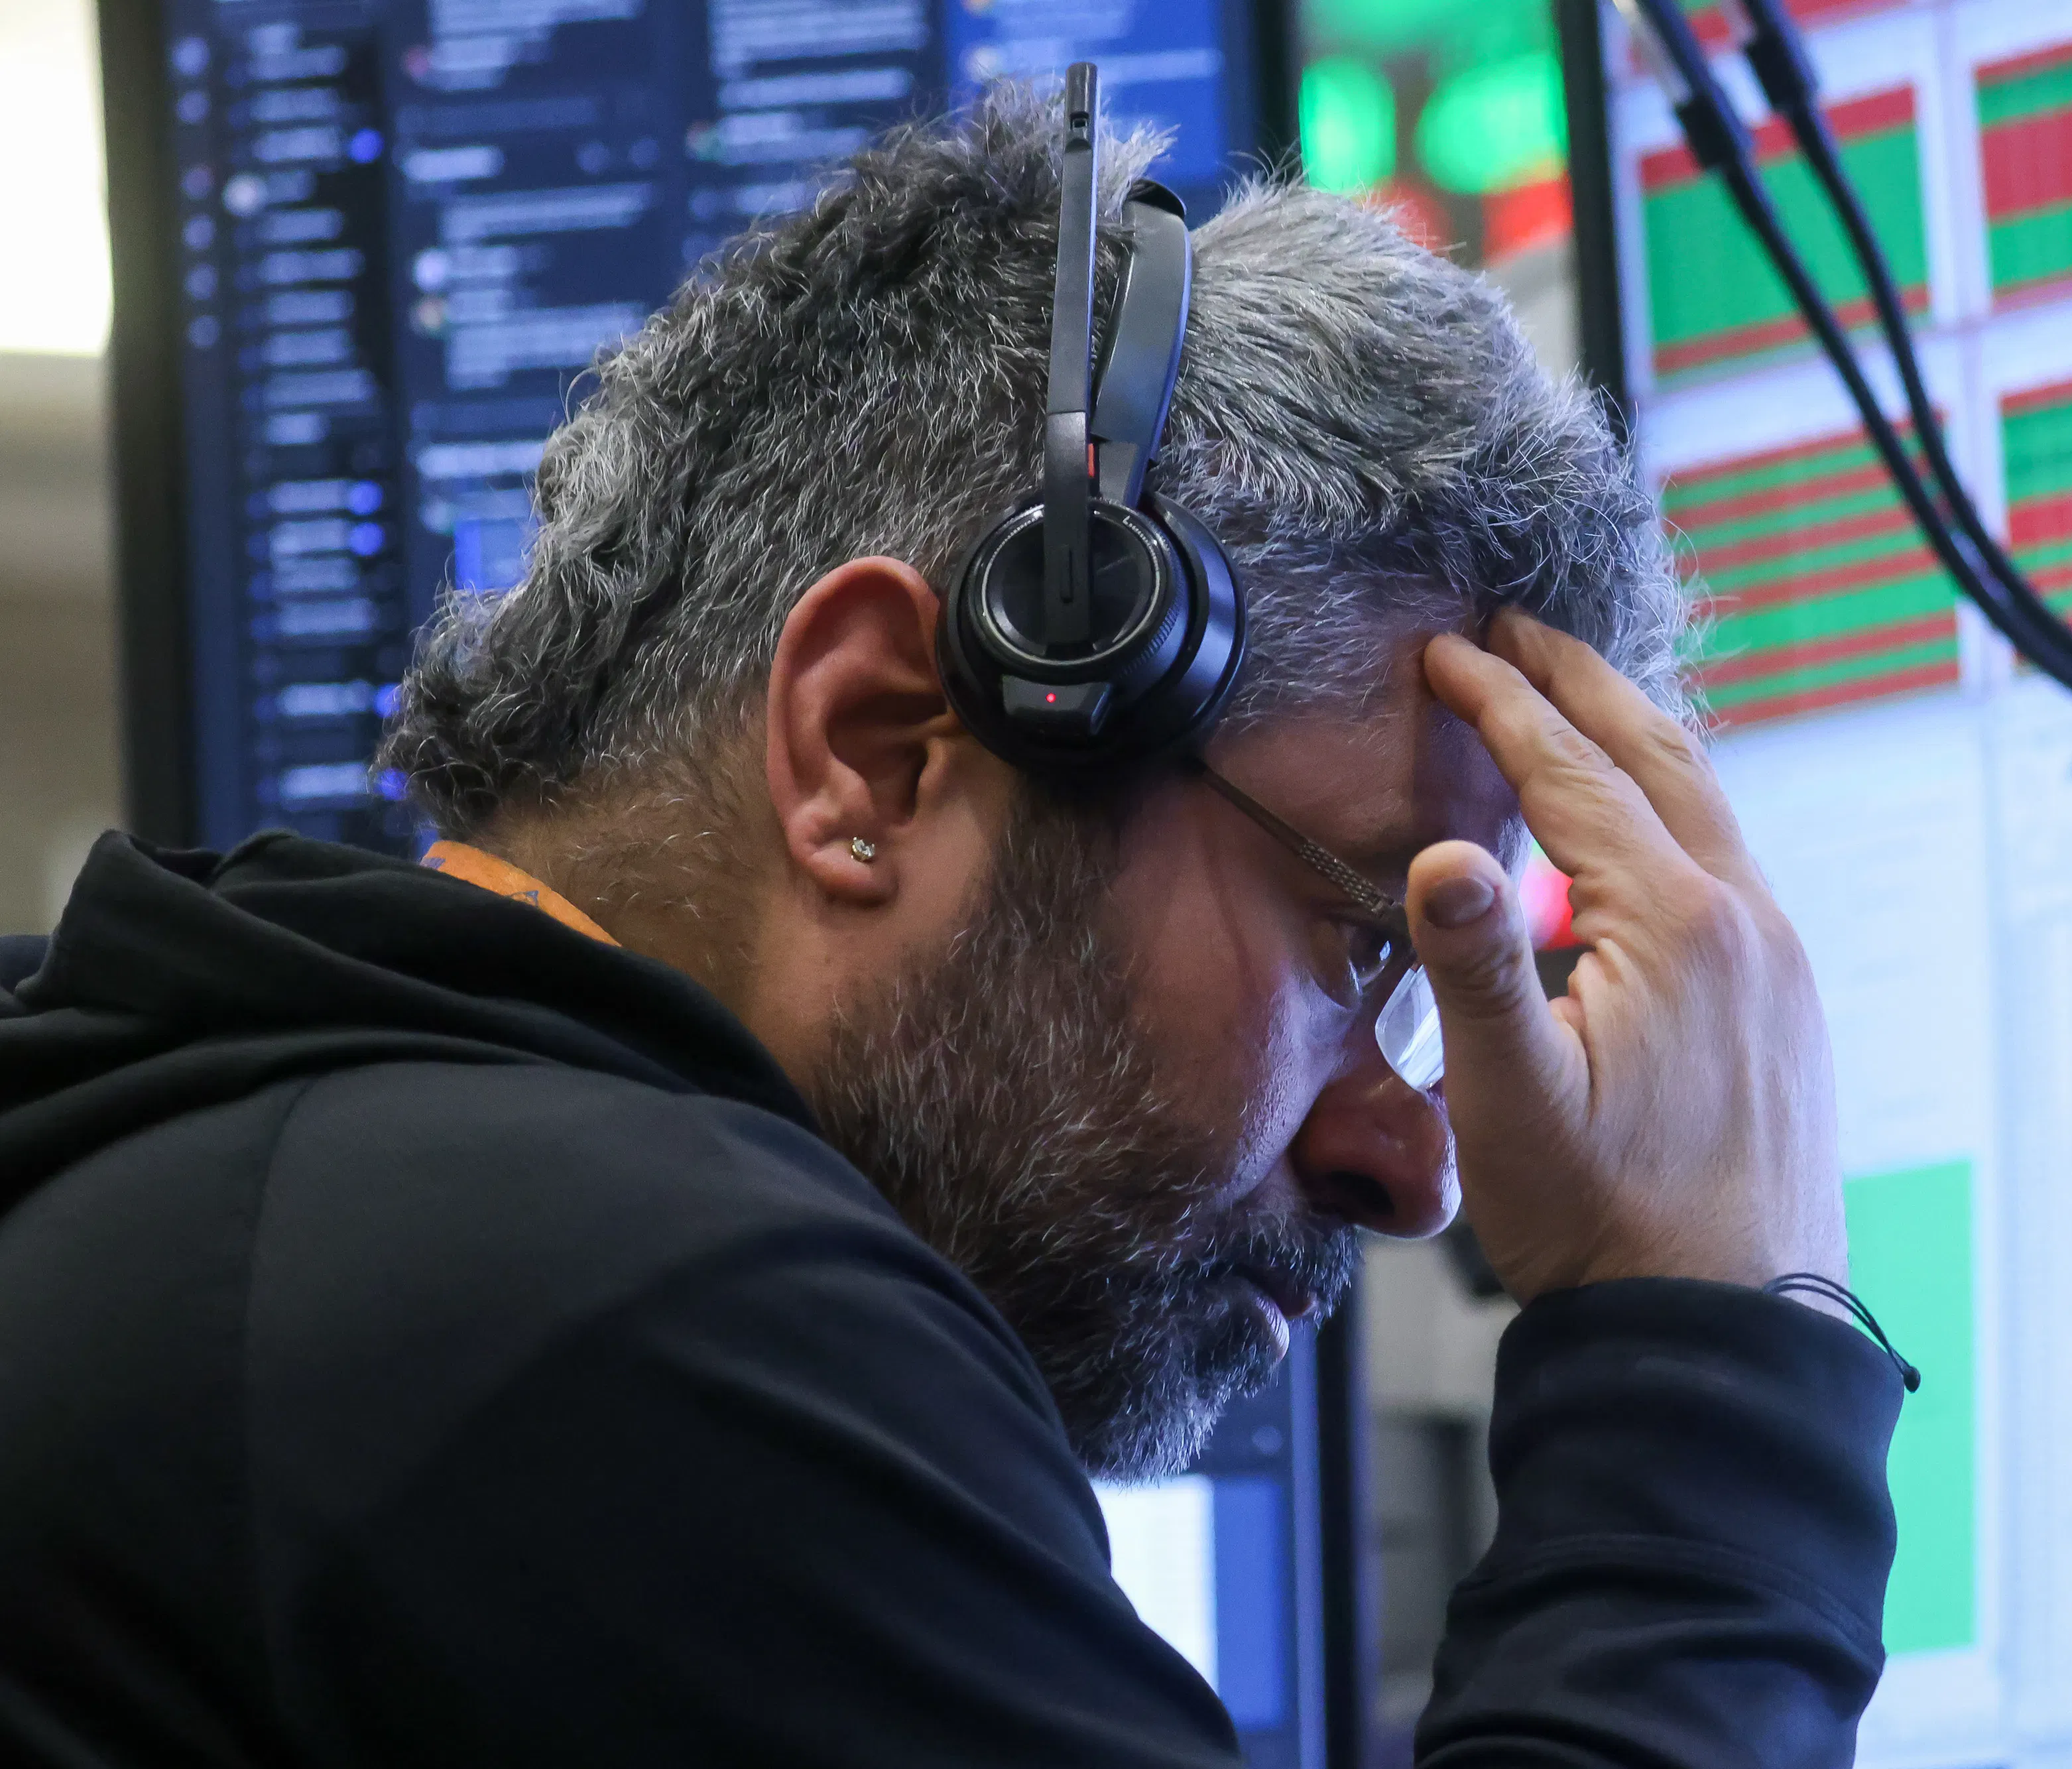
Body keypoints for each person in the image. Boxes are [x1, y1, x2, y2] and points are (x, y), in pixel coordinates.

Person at [0, 86, 1902, 1767]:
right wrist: (1708, 1356)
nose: (1413, 1163)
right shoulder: (613, 1311)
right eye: (1361, 949)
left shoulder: (269, 1154)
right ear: (880, 746)